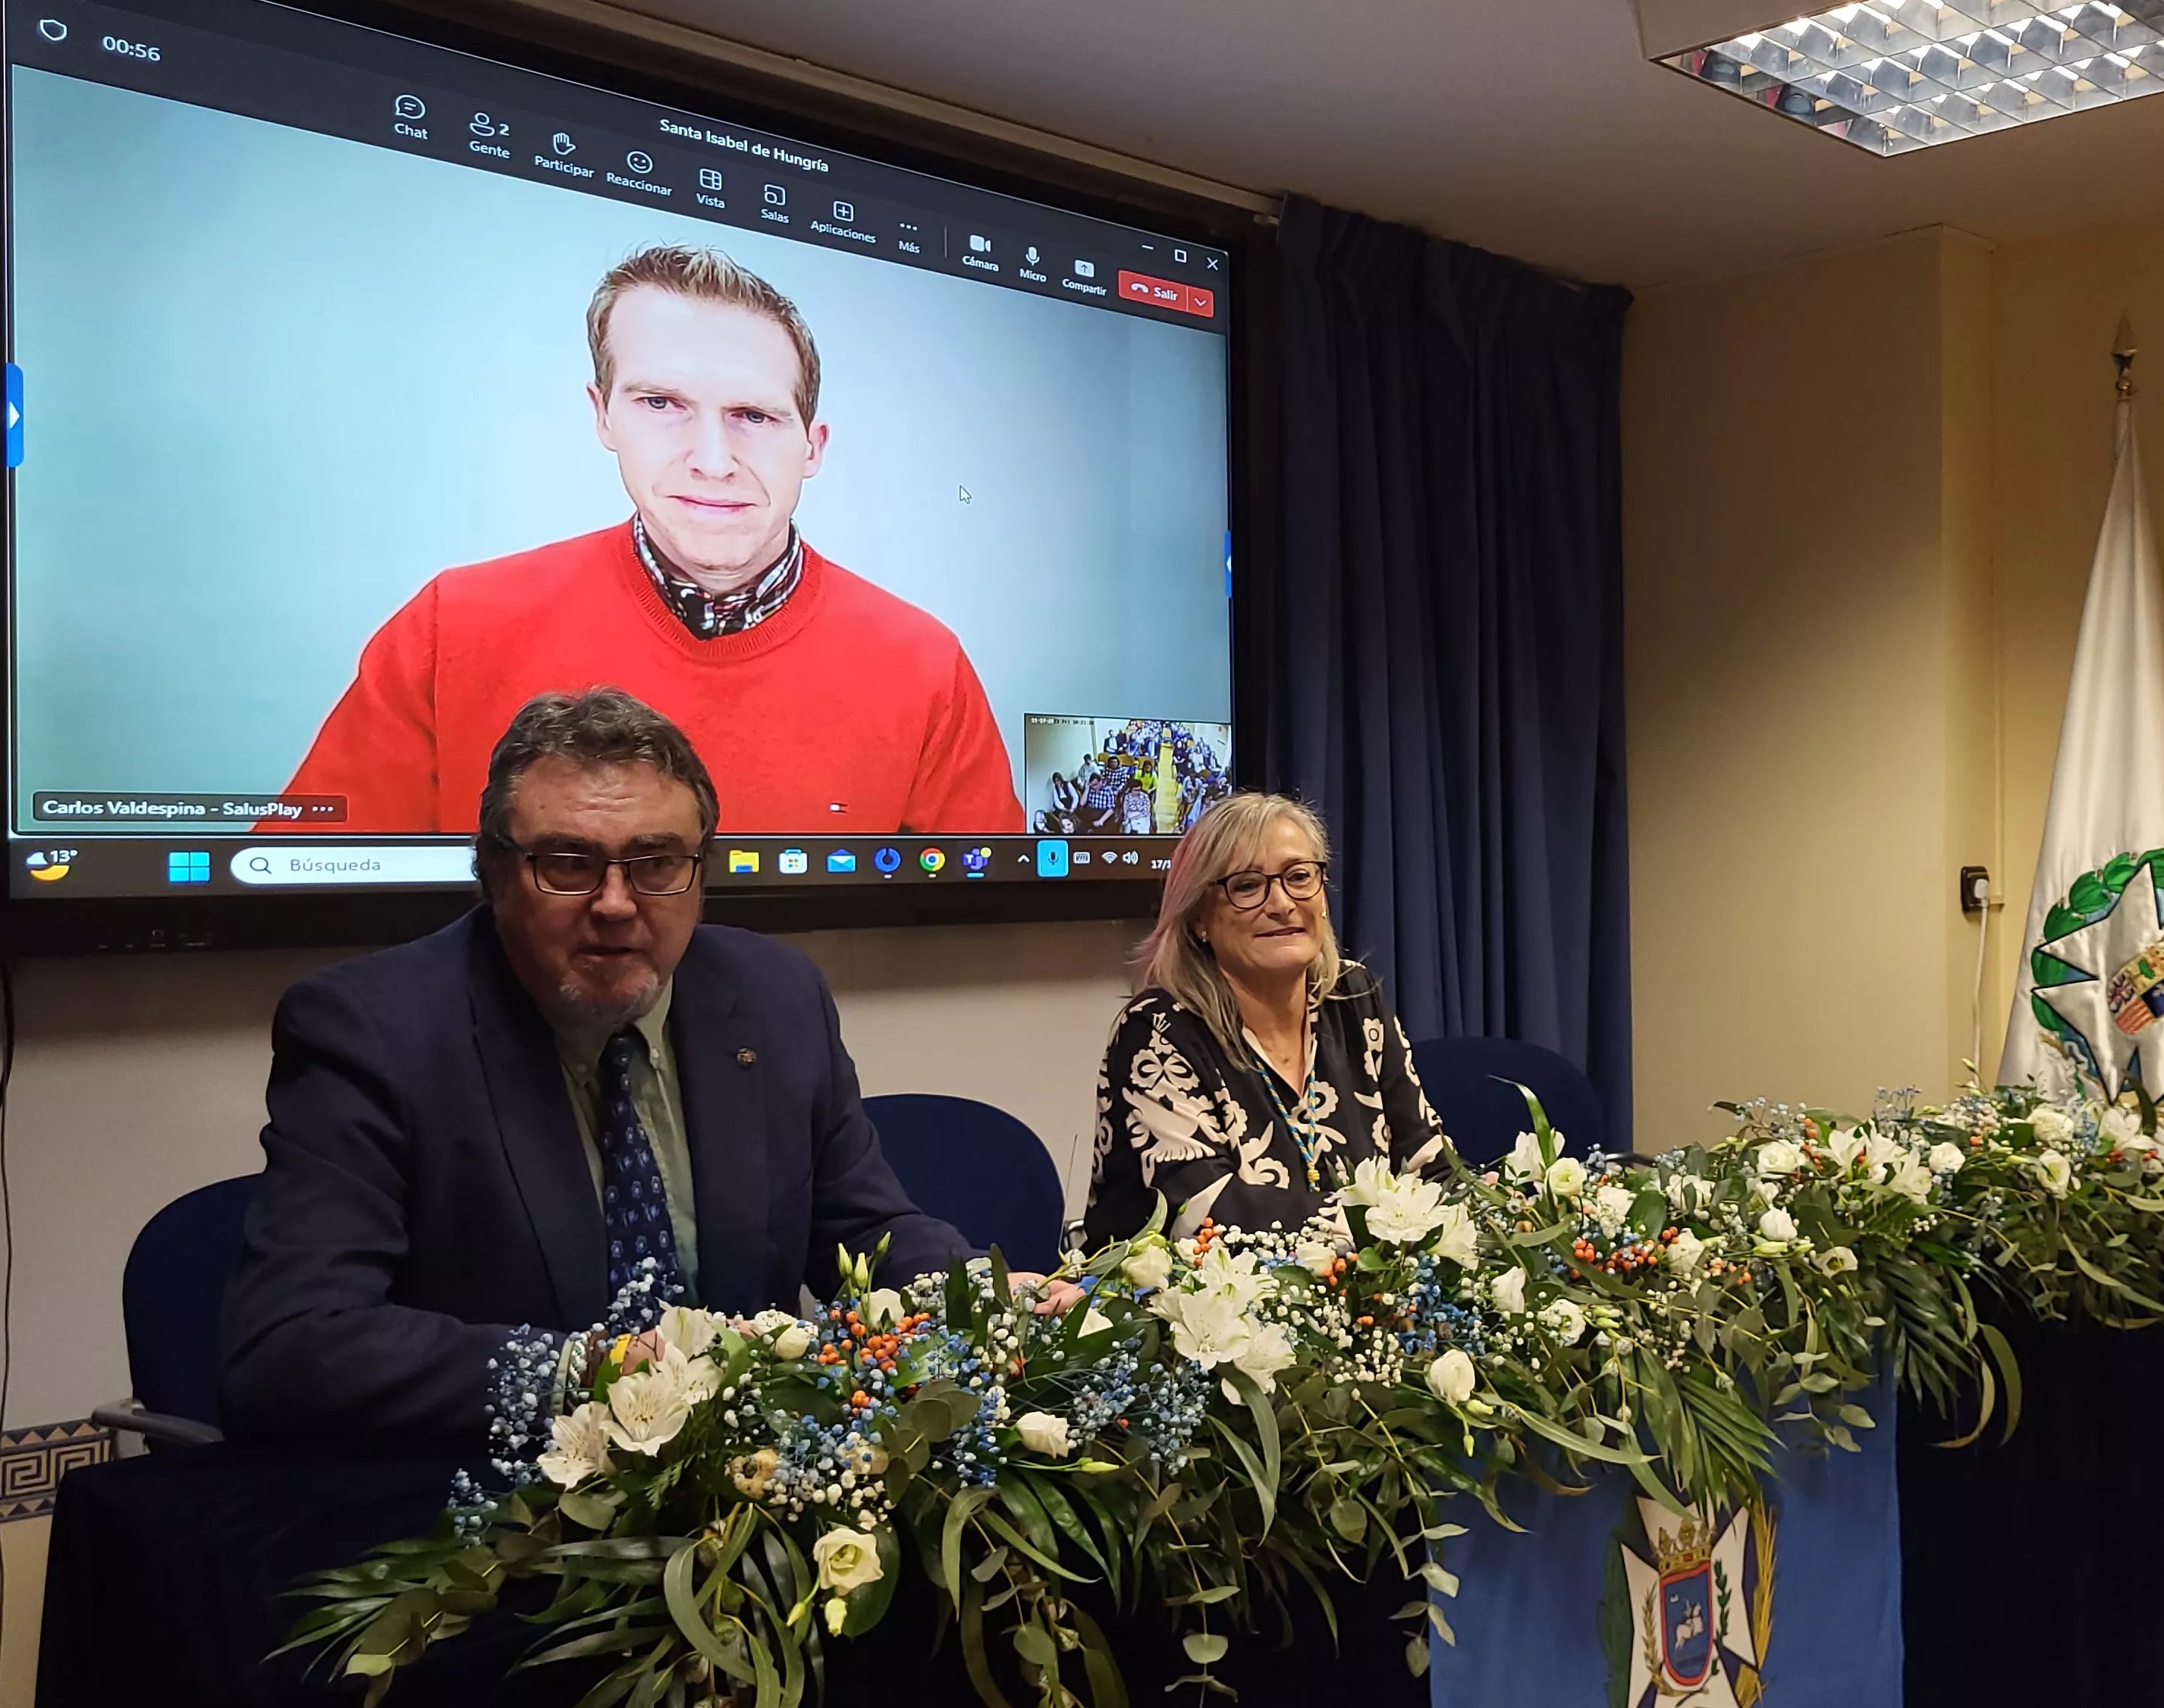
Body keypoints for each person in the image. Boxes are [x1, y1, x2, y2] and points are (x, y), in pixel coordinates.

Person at [220, 687, 1070, 1447]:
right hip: (496, 1517)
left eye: (656, 862)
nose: (617, 903)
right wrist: (589, 1370)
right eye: (568, 864)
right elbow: (291, 1344)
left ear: (700, 872)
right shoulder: (372, 1029)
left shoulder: (774, 996)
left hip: (744, 1507)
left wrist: (977, 1295)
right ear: (492, 872)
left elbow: (861, 1230)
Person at [277, 244, 1022, 836]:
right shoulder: (452, 627)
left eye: (753, 416)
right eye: (661, 403)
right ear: (604, 416)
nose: (713, 458)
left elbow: (989, 950)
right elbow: (303, 912)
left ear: (812, 445)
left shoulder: (925, 667)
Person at [1082, 793, 1448, 1244]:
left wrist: (1482, 1209)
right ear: (1199, 917)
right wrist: (1391, 1223)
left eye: (1299, 877)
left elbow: (1429, 1163)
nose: (1282, 903)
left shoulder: (1353, 996)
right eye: (1248, 886)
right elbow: (1205, 1214)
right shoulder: (1156, 1031)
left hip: (1358, 1298)